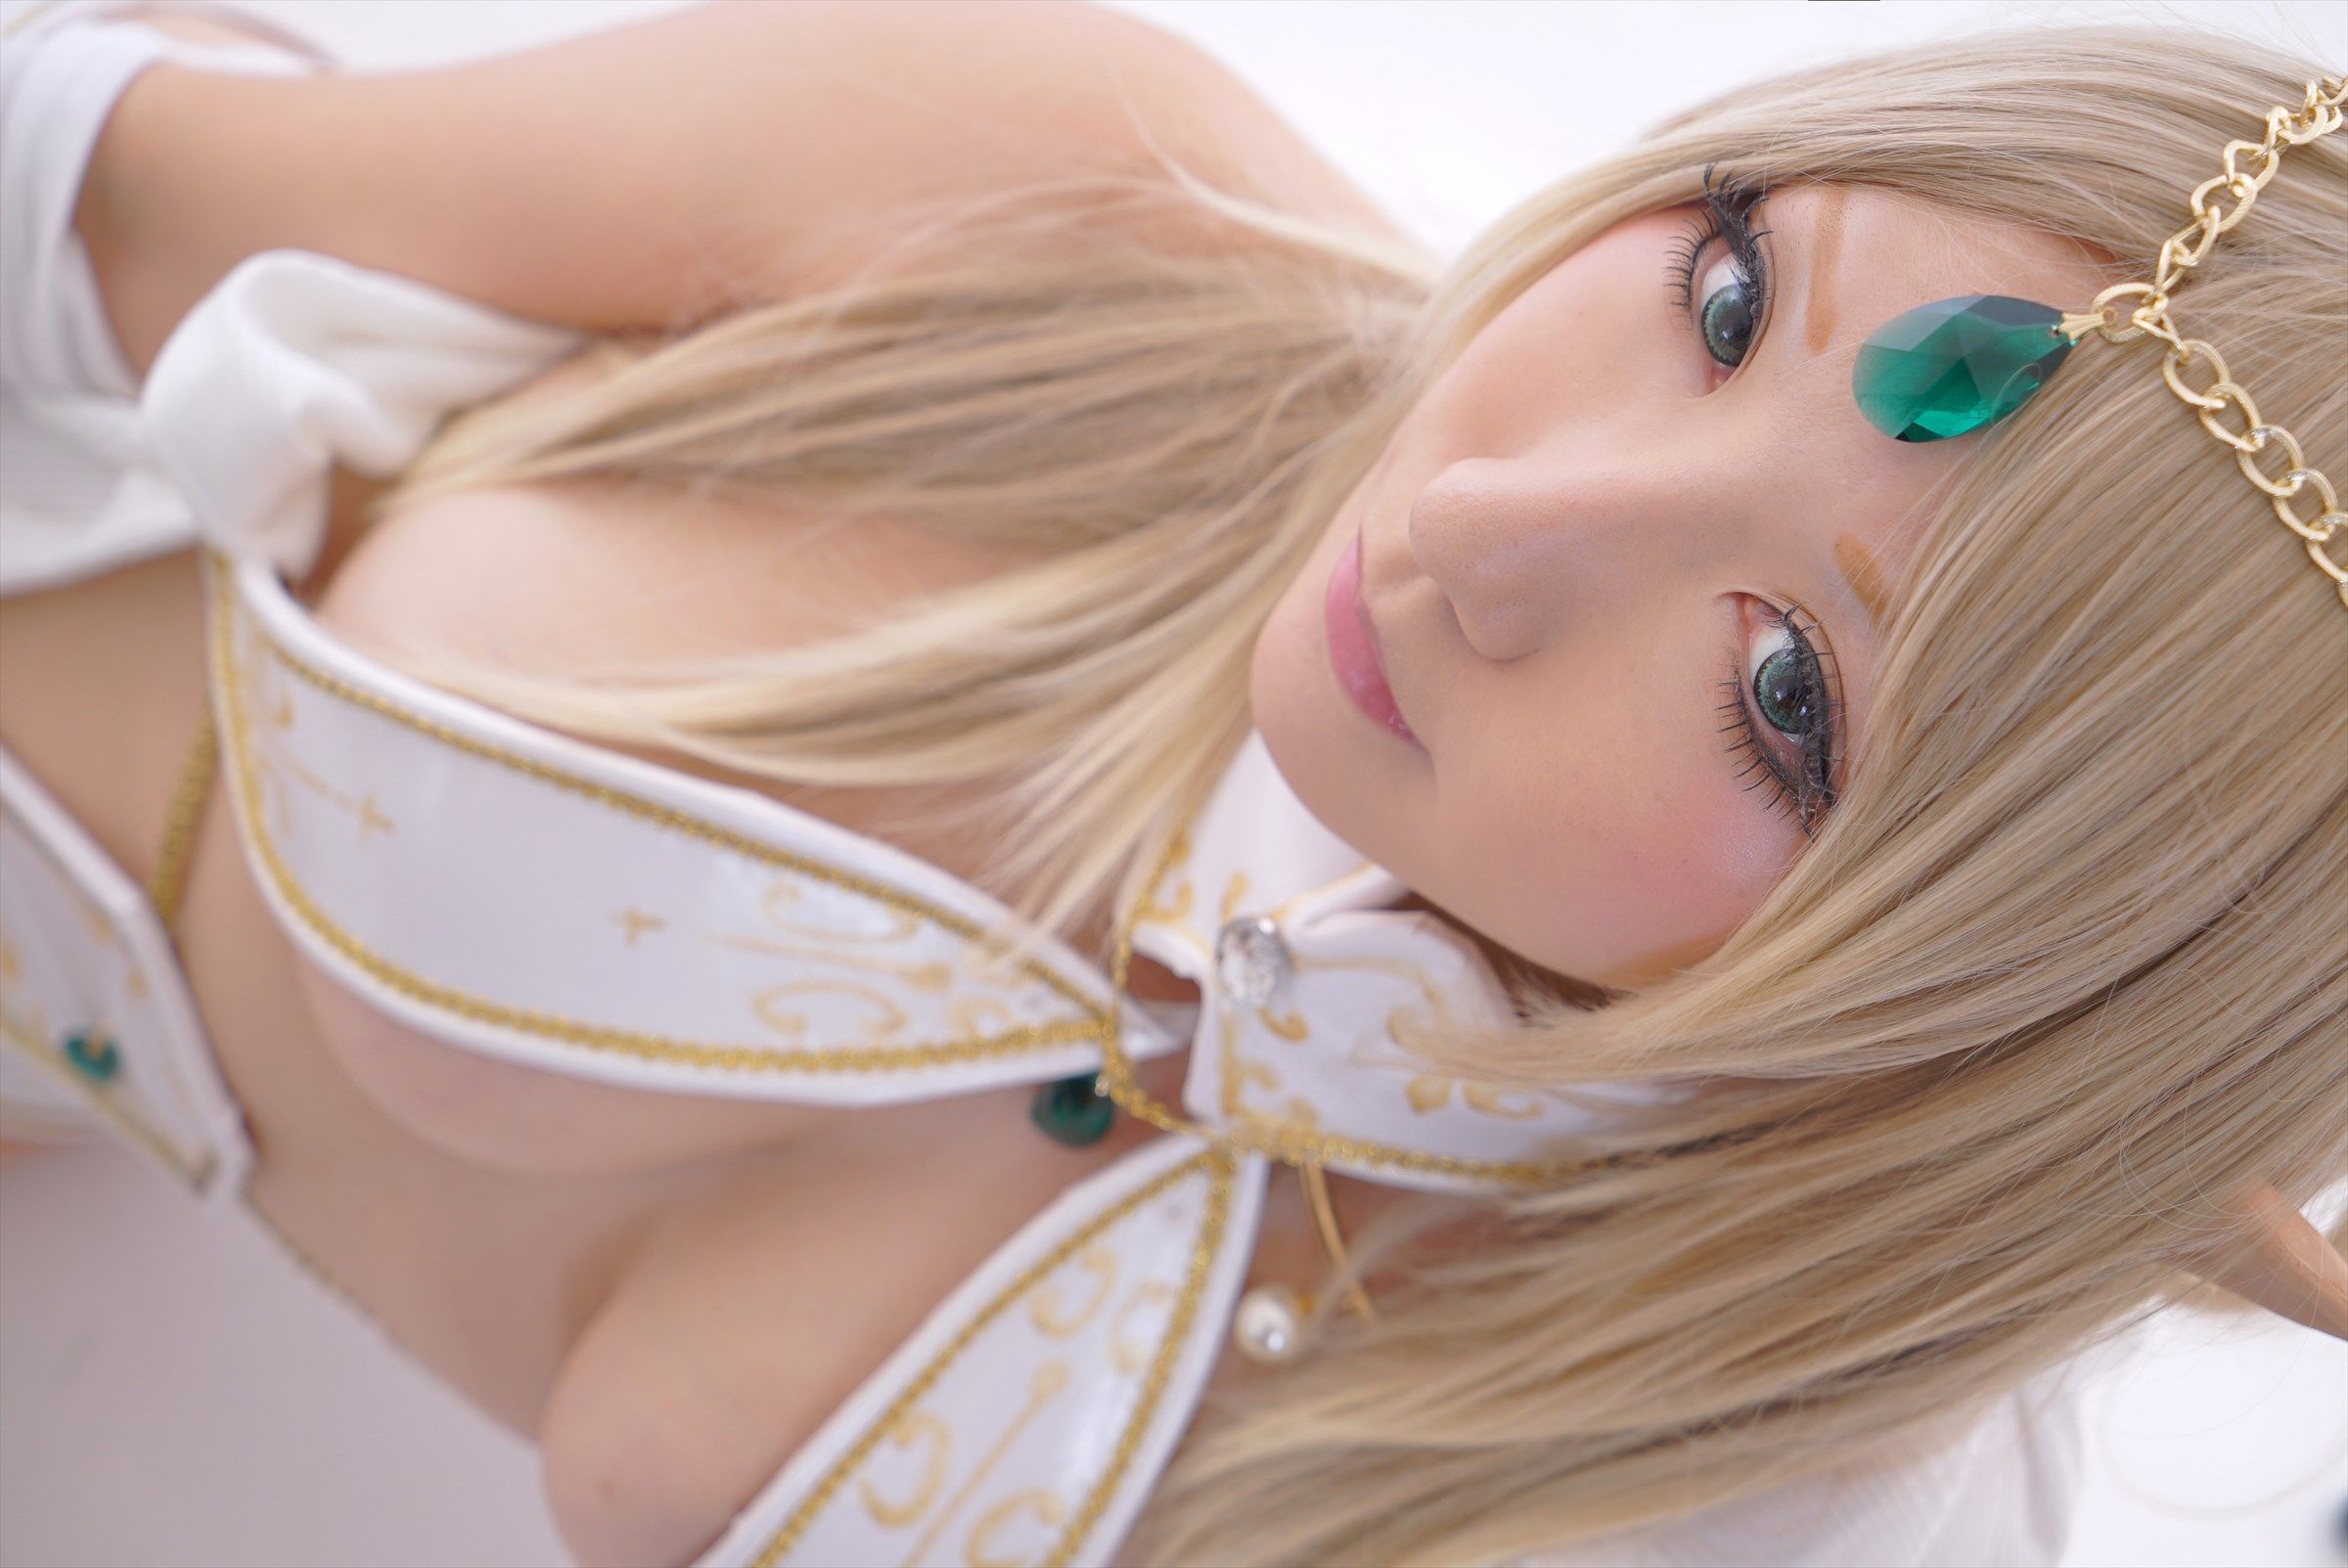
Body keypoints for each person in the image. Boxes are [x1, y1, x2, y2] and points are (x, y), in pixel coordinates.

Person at [1, 3, 2341, 1565]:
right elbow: (89, 190)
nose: (1488, 528)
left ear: (2006, 1006)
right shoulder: (1079, 211)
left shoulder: (1718, 1482)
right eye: (1726, 297)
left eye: (1787, 695)